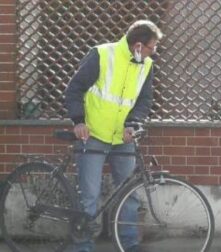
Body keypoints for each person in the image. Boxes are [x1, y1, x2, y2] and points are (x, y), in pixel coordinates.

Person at [65, 20, 163, 252]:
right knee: (89, 196)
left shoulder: (146, 65)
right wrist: (78, 121)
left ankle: (129, 244)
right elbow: (75, 88)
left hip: (123, 138)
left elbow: (144, 100)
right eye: (153, 46)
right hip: (93, 135)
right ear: (138, 45)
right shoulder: (101, 54)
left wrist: (133, 124)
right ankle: (82, 247)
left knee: (128, 194)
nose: (154, 51)